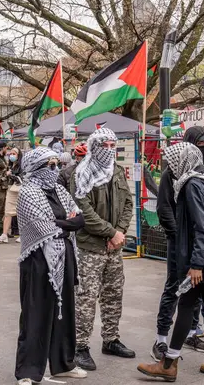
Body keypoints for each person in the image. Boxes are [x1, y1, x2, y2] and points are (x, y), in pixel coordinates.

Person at [138, 143, 204, 381]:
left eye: (173, 162)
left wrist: (196, 264)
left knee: (185, 304)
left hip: (202, 257)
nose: (170, 167)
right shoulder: (203, 181)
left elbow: (202, 228)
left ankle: (169, 363)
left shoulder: (192, 185)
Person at [14, 147, 87, 385]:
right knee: (36, 313)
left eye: (57, 164)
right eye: (51, 165)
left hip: (63, 256)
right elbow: (41, 226)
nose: (55, 169)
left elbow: (79, 218)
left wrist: (62, 223)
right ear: (37, 168)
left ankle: (63, 364)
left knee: (64, 311)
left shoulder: (59, 190)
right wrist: (66, 224)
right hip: (37, 260)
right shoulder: (28, 192)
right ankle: (28, 371)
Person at [71, 128, 135, 371]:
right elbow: (83, 210)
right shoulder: (82, 173)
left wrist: (119, 232)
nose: (109, 150)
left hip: (113, 248)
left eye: (112, 145)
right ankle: (80, 346)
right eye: (104, 145)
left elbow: (128, 202)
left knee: (113, 294)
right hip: (91, 247)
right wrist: (111, 232)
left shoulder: (117, 171)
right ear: (93, 146)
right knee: (86, 297)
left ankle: (111, 339)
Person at [151, 127, 204, 363]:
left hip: (199, 242)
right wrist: (179, 236)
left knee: (195, 289)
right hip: (179, 242)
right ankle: (161, 339)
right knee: (173, 287)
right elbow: (164, 209)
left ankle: (191, 333)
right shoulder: (173, 172)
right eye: (201, 143)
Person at [0, 147, 23, 244]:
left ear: (18, 155)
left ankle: (22, 235)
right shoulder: (10, 165)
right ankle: (4, 235)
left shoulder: (21, 166)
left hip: (18, 190)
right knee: (8, 212)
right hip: (11, 189)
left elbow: (21, 179)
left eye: (14, 153)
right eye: (10, 153)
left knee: (21, 213)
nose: (11, 155)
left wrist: (10, 175)